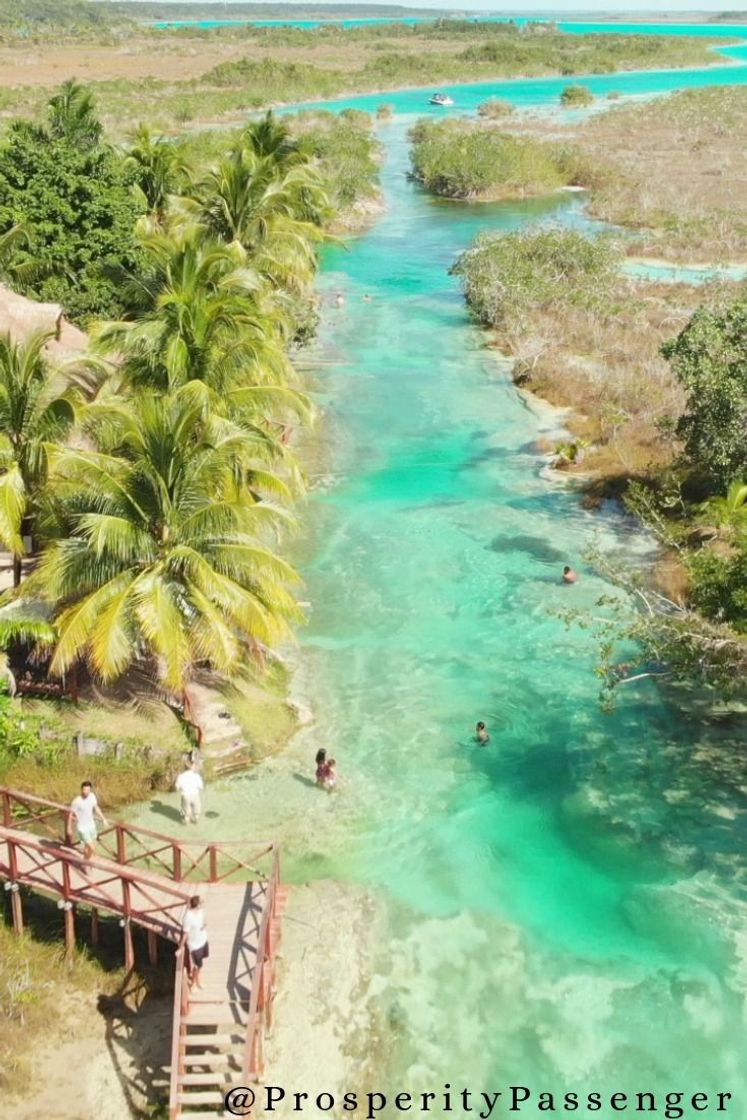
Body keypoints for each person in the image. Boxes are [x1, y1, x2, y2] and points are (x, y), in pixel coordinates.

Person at [70, 781, 107, 860]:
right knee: (92, 848)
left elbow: (96, 807)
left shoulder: (92, 796)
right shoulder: (77, 801)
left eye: (88, 790)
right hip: (82, 828)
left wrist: (103, 818)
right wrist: (69, 828)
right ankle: (86, 863)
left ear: (90, 790)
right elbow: (70, 814)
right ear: (81, 790)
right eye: (84, 790)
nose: (86, 792)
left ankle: (85, 861)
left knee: (87, 847)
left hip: (91, 826)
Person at [181, 895, 209, 989]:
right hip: (195, 945)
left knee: (199, 965)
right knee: (198, 965)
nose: (201, 905)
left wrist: (204, 924)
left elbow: (204, 919)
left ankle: (196, 979)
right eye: (200, 904)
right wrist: (180, 947)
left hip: (203, 940)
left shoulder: (200, 911)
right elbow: (185, 934)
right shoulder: (188, 917)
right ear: (196, 906)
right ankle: (194, 983)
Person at [175, 759, 204, 824]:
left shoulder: (180, 776)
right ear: (192, 767)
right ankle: (196, 819)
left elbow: (177, 787)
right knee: (196, 810)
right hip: (195, 794)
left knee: (186, 812)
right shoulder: (196, 776)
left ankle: (186, 820)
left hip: (185, 795)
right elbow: (201, 787)